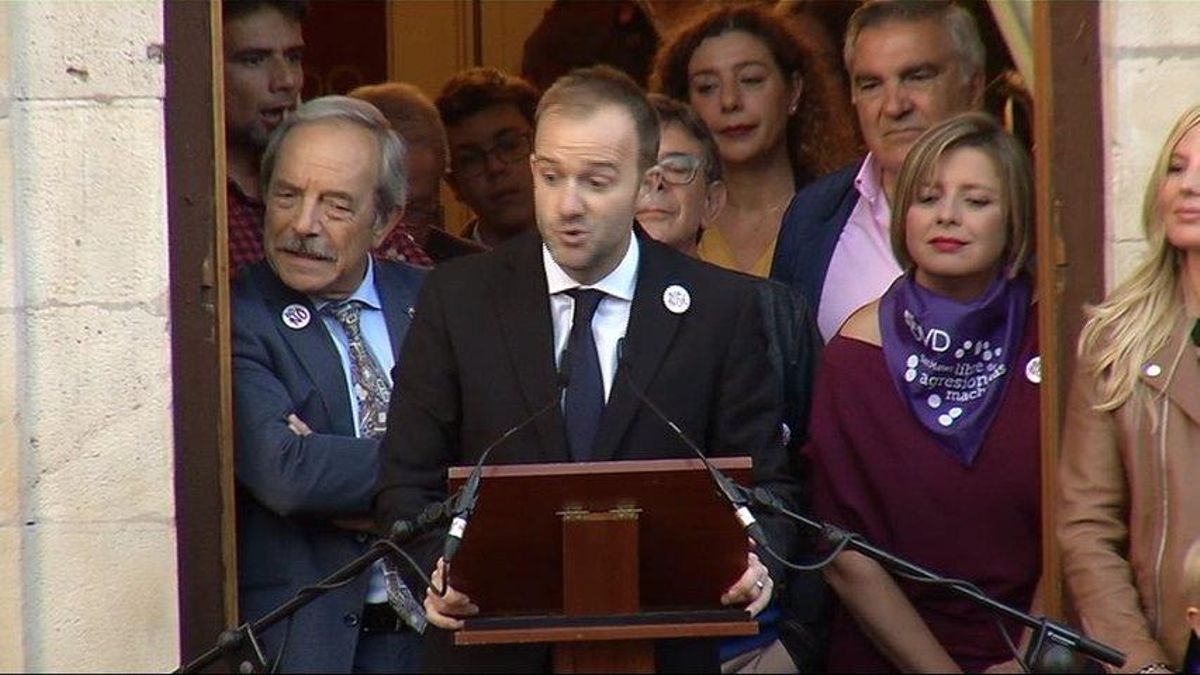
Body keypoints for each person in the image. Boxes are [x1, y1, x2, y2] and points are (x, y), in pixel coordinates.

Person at [375, 66, 801, 672]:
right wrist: (435, 569)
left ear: (645, 185)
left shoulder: (718, 310)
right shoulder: (457, 298)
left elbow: (767, 487)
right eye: (550, 176)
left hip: (662, 646)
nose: (568, 204)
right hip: (492, 645)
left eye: (597, 181)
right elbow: (406, 482)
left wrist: (761, 557)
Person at [805, 112, 1040, 672]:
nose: (948, 217)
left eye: (976, 201)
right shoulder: (852, 357)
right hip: (891, 655)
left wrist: (1034, 658)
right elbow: (843, 550)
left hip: (1038, 650)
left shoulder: (1055, 339)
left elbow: (1085, 520)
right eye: (928, 198)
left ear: (1016, 219)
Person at [232, 96, 426, 672]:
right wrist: (428, 477)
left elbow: (497, 456)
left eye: (336, 205)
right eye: (288, 195)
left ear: (385, 220)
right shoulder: (239, 313)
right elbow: (286, 473)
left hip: (440, 637)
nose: (303, 223)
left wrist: (347, 465)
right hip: (309, 647)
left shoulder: (436, 302)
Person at [639, 93, 823, 673]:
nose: (657, 185)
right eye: (639, 169)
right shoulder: (566, 316)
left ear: (712, 200)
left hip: (752, 640)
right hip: (611, 630)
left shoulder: (774, 313)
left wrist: (796, 639)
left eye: (678, 169)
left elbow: (815, 481)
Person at [1058, 104, 1200, 674]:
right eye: (1175, 167)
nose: (1188, 186)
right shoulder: (1116, 337)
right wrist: (1137, 661)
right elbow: (1087, 528)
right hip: (1171, 649)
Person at [771, 0, 986, 341]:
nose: (894, 106)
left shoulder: (1033, 214)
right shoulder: (813, 216)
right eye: (871, 84)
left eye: (917, 77)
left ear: (973, 88)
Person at [652, 4, 858, 277]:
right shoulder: (665, 216)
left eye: (750, 80)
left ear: (794, 91)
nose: (729, 101)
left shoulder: (844, 214)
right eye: (707, 87)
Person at [348, 82, 485, 264]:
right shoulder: (303, 275)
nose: (394, 238)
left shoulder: (478, 276)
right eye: (379, 211)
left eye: (415, 211)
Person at [223, 0, 307, 278]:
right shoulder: (187, 200)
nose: (285, 81)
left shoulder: (334, 180)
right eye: (254, 60)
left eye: (293, 57)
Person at [435, 68, 540, 249]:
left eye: (509, 145)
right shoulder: (437, 273)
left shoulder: (600, 255)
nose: (494, 167)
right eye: (471, 159)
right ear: (453, 183)